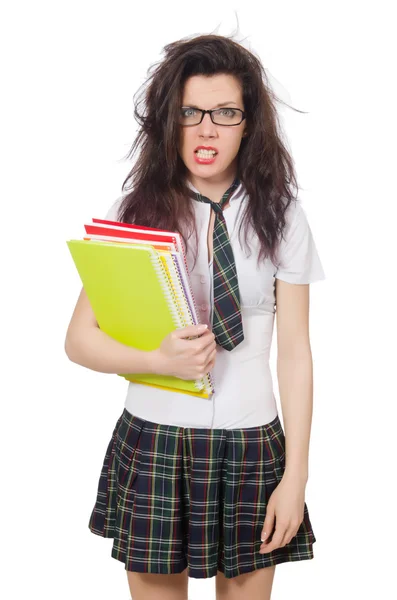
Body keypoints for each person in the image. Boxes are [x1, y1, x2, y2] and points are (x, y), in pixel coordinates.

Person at [65, 33, 325, 600]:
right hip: (156, 436)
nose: (207, 129)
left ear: (248, 124)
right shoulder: (136, 213)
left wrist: (296, 475)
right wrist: (154, 358)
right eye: (190, 112)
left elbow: (297, 353)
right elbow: (80, 340)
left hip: (253, 442)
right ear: (169, 120)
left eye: (225, 113)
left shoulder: (281, 215)